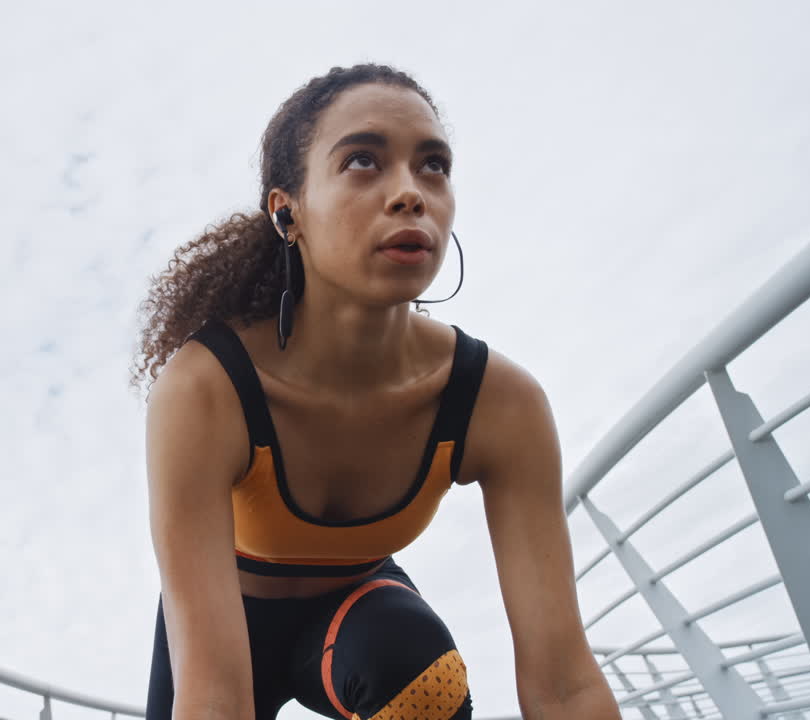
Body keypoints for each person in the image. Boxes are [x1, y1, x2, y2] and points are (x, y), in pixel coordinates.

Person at [131, 64, 620, 720]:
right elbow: (215, 700)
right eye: (364, 161)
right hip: (221, 635)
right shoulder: (206, 388)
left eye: (433, 166)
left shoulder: (498, 403)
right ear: (287, 211)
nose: (409, 193)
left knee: (417, 667)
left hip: (357, 622)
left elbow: (563, 685)